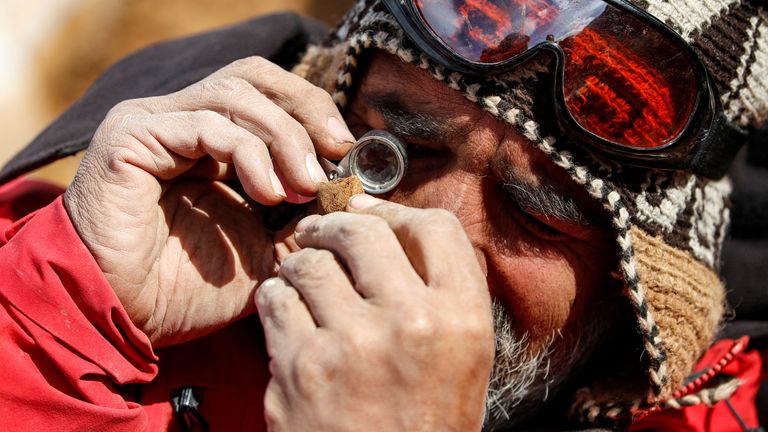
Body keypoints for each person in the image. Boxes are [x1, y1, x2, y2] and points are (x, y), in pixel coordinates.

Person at [0, 0, 766, 430]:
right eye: (393, 149)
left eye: (539, 214)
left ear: (632, 292)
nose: (430, 234)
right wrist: (65, 313)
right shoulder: (123, 255)